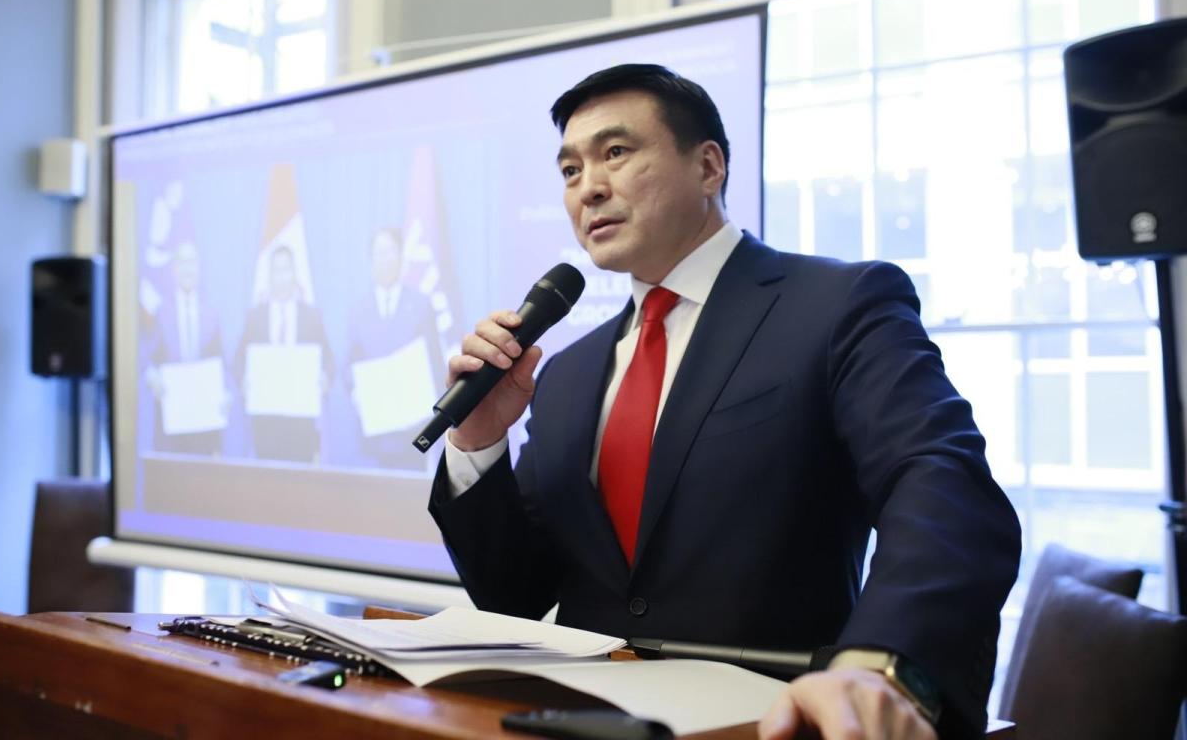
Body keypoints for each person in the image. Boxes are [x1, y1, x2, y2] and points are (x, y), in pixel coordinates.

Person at [428, 64, 1020, 740]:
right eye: (569, 170)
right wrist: (478, 441)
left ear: (708, 167)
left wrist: (880, 666)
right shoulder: (566, 373)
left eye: (615, 152)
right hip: (579, 723)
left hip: (776, 722)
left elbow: (943, 486)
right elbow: (515, 593)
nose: (588, 186)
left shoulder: (836, 307)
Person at [346, 227, 444, 470]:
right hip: (375, 432)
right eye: (379, 253)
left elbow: (435, 365)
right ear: (370, 260)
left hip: (413, 428)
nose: (385, 259)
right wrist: (357, 390)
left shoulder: (421, 306)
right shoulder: (358, 311)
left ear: (401, 257)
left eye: (390, 251)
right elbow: (349, 366)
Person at [235, 244, 334, 463]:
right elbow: (238, 361)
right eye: (276, 270)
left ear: (294, 274)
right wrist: (243, 380)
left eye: (286, 269)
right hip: (266, 425)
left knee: (300, 480)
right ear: (269, 275)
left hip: (302, 427)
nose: (281, 276)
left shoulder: (311, 316)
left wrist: (325, 378)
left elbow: (328, 360)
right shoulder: (255, 316)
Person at [146, 241, 228, 455]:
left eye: (192, 262)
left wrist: (225, 394)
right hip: (171, 425)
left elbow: (221, 365)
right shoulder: (161, 314)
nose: (187, 269)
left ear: (199, 269)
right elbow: (149, 361)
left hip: (205, 427)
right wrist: (152, 376)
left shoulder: (211, 315)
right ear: (174, 270)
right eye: (182, 263)